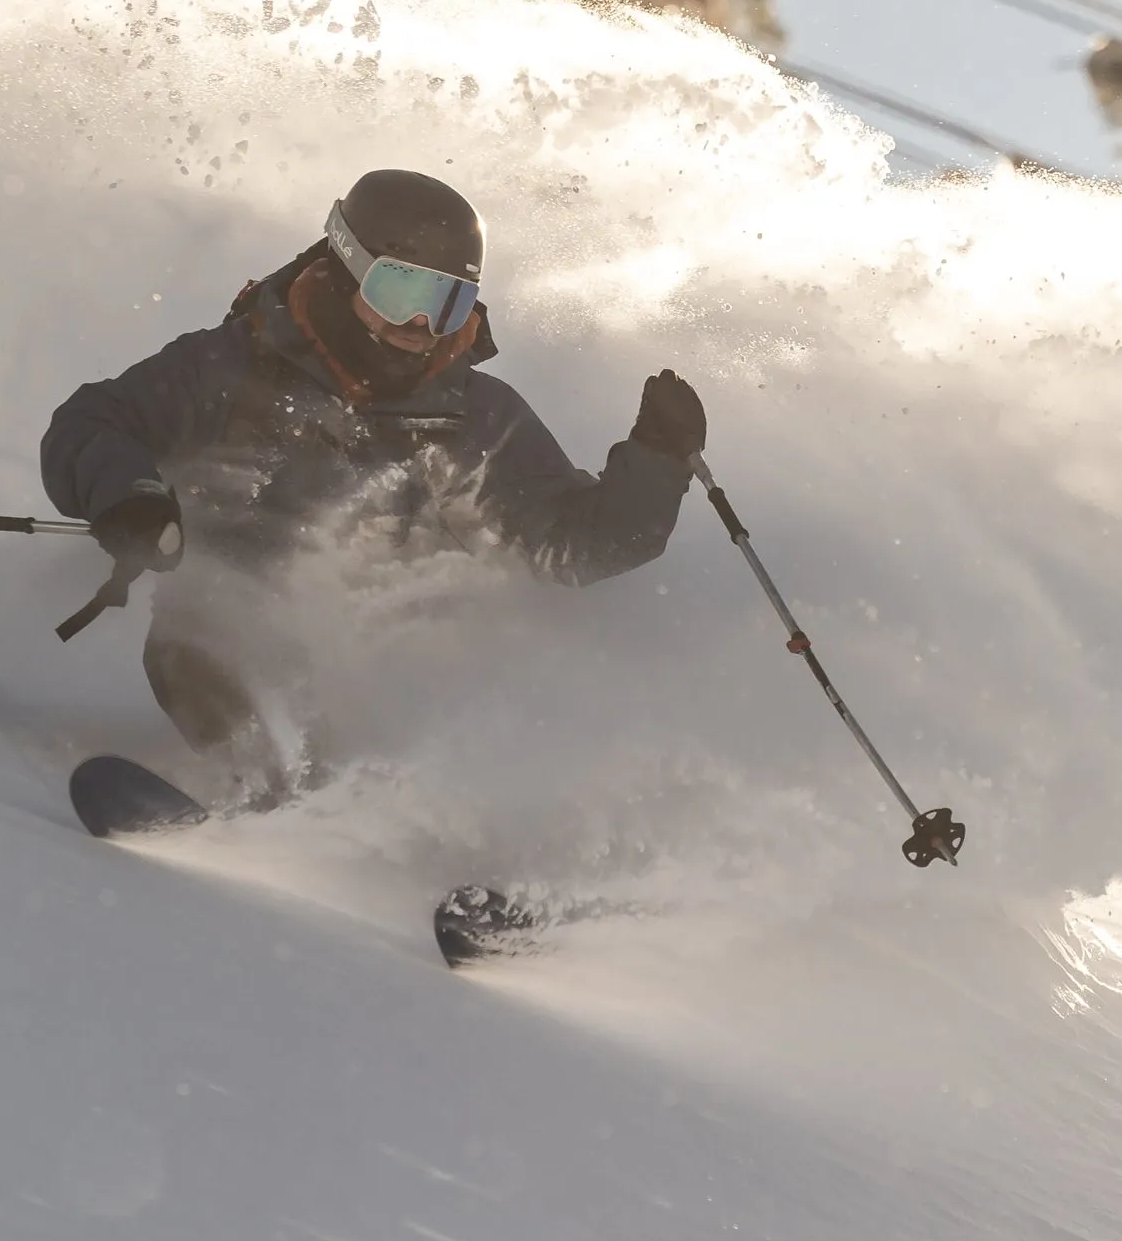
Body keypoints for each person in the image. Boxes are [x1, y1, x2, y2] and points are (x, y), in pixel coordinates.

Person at [40, 167, 704, 799]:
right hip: (230, 618)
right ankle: (271, 801)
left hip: (396, 654)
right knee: (199, 650)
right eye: (403, 292)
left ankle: (480, 854)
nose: (421, 326)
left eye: (448, 303)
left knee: (479, 715)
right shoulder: (235, 368)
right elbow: (92, 424)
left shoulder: (472, 420)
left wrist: (657, 460)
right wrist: (126, 495)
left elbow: (569, 544)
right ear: (346, 266)